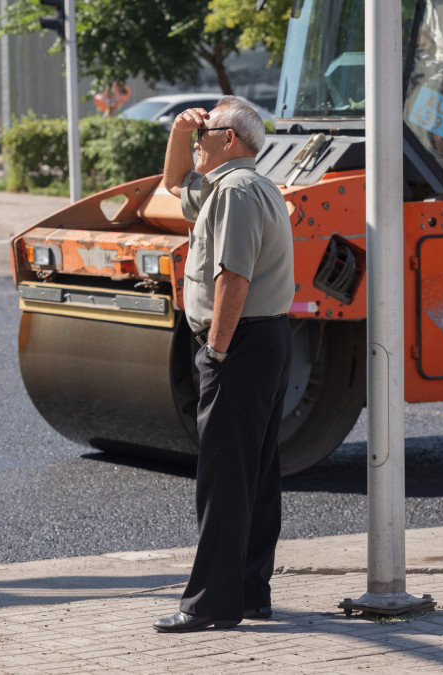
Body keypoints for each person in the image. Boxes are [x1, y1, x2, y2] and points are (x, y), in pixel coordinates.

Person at [152, 96, 294, 633]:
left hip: (239, 343)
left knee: (223, 478)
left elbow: (232, 278)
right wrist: (179, 132)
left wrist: (215, 349)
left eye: (205, 131)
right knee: (257, 473)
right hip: (267, 337)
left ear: (229, 140)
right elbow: (172, 184)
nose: (197, 139)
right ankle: (252, 591)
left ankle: (210, 603)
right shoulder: (247, 183)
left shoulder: (233, 192)